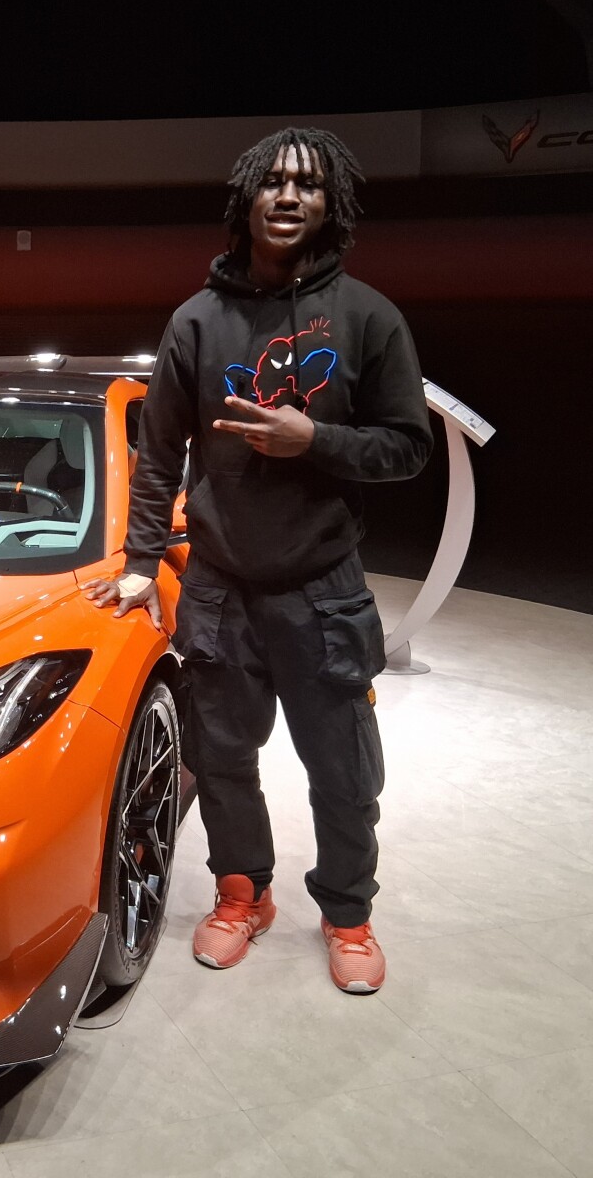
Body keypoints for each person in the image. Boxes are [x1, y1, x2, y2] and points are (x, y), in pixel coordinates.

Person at [85, 127, 432, 994]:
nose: (287, 196)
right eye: (272, 182)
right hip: (219, 587)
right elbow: (159, 453)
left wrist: (315, 440)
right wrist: (140, 560)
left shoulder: (369, 316)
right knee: (224, 762)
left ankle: (347, 915)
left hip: (323, 588)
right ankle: (243, 895)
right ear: (246, 199)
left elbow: (407, 447)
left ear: (330, 204)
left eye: (307, 185)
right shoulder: (196, 322)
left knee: (344, 772)